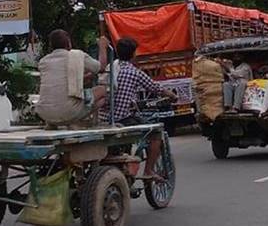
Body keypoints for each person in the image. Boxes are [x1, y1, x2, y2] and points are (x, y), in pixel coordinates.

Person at [104, 37, 177, 180]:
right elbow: (156, 88)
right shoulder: (134, 72)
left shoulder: (110, 68)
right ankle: (149, 171)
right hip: (122, 118)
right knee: (156, 132)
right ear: (133, 54)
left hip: (104, 118)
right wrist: (172, 96)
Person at [34, 29, 106, 127]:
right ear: (68, 42)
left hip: (44, 113)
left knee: (61, 96)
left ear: (51, 45)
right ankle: (74, 121)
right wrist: (103, 47)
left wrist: (85, 77)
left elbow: (62, 80)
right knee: (102, 92)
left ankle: (54, 123)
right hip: (69, 112)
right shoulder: (77, 55)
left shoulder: (43, 62)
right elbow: (101, 67)